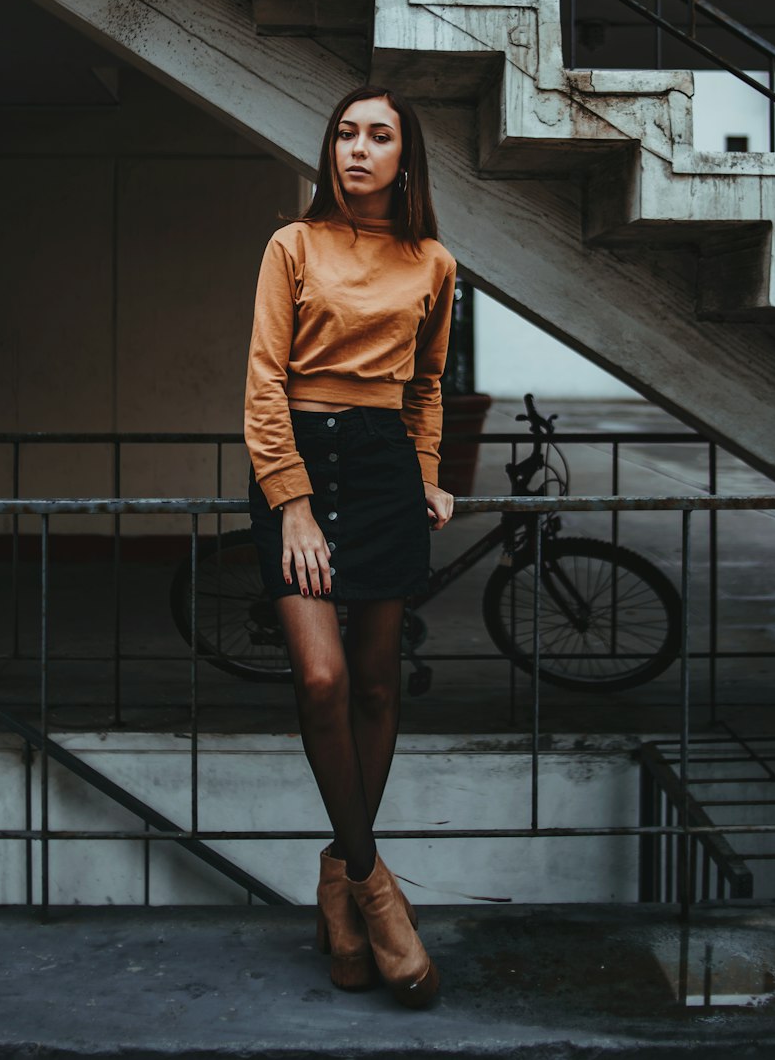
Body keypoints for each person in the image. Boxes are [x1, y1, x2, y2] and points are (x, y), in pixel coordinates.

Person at [243, 85, 457, 1009]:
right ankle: (373, 885)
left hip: (382, 476)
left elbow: (427, 386)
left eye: (378, 136)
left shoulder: (434, 262)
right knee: (322, 680)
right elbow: (261, 381)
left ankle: (337, 891)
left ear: (404, 159)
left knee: (375, 682)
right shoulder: (292, 244)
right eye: (344, 133)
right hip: (299, 459)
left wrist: (427, 473)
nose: (356, 149)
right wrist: (290, 503)